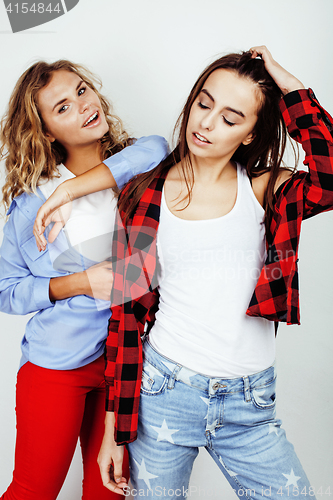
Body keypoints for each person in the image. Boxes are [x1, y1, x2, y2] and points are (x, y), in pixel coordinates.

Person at [95, 46, 332, 498]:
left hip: (251, 403)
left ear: (249, 134)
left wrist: (289, 87)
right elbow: (125, 313)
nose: (206, 123)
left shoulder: (265, 188)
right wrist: (113, 433)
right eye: (204, 104)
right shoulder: (143, 196)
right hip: (164, 392)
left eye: (230, 117)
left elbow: (331, 173)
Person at [0, 59, 168, 500]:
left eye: (80, 90)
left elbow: (157, 145)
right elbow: (6, 290)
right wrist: (78, 283)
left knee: (109, 492)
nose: (82, 105)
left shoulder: (143, 169)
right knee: (34, 490)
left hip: (128, 364)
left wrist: (72, 190)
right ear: (47, 131)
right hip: (58, 366)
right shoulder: (32, 207)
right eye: (62, 107)